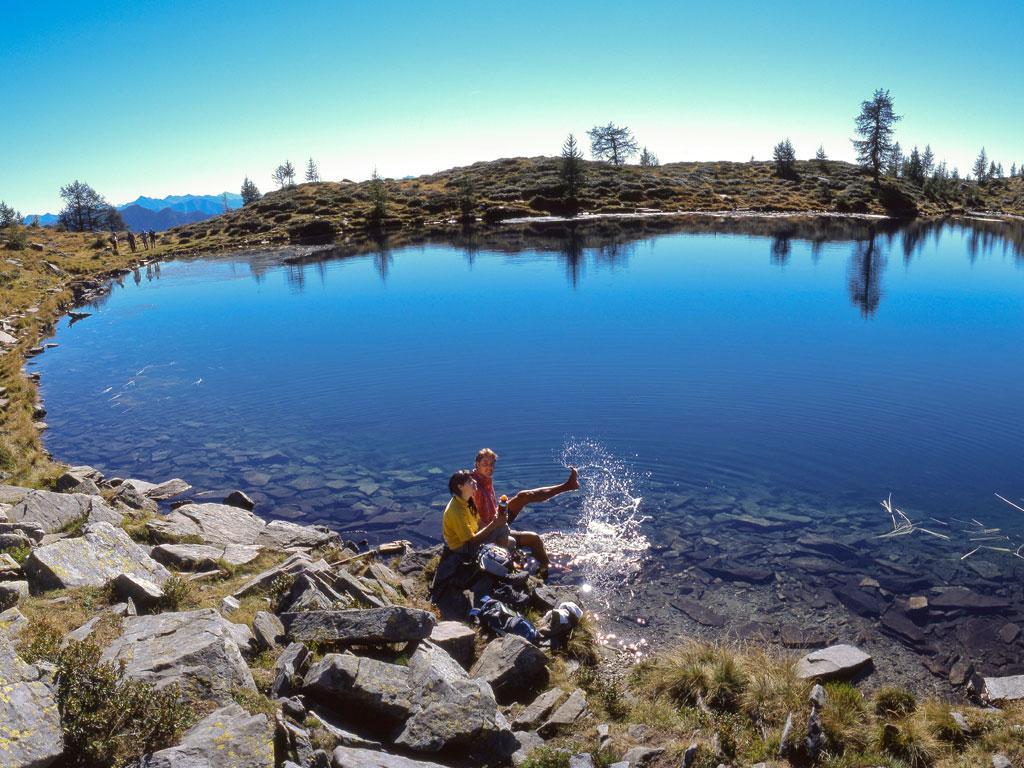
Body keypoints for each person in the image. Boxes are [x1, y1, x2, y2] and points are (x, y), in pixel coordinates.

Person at [472, 448, 579, 579]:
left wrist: (499, 511)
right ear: (477, 464)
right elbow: (472, 522)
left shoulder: (485, 480)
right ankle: (545, 570)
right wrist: (497, 526)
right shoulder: (474, 487)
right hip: (488, 531)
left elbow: (484, 509)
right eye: (485, 464)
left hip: (495, 520)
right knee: (534, 539)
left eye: (492, 464)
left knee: (524, 496)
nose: (489, 468)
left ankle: (568, 485)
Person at [442, 469, 509, 553]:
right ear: (460, 487)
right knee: (503, 529)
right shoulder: (455, 511)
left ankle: (502, 558)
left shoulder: (469, 499)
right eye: (470, 481)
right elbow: (470, 541)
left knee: (509, 539)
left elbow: (479, 522)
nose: (474, 481)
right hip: (461, 547)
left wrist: (494, 526)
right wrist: (494, 524)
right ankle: (502, 560)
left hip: (473, 537)